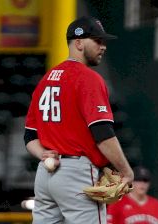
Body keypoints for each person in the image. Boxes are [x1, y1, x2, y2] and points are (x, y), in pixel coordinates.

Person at [24, 16, 134, 224]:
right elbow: (103, 134)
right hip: (76, 173)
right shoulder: (88, 78)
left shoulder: (46, 79)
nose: (103, 47)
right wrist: (126, 172)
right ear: (79, 42)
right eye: (98, 41)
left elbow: (30, 135)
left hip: (45, 175)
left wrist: (43, 154)